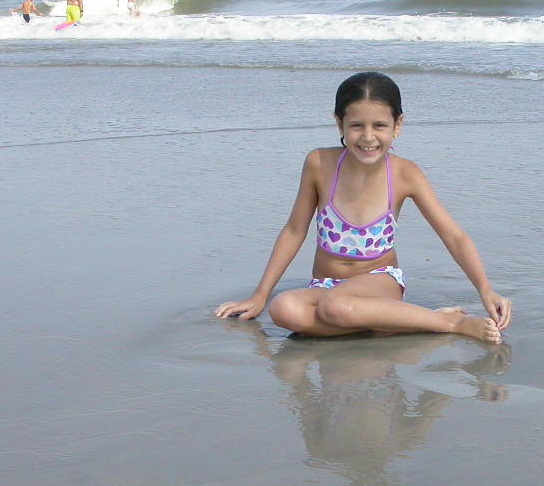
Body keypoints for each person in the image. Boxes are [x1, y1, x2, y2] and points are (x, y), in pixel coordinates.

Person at [215, 72, 513, 343]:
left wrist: (485, 290)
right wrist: (260, 295)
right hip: (324, 284)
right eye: (357, 126)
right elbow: (294, 231)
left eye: (379, 126)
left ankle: (450, 322)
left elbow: (454, 236)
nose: (368, 137)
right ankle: (386, 323)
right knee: (283, 308)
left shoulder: (405, 174)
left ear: (397, 125)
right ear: (340, 124)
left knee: (335, 306)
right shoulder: (318, 164)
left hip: (380, 281)